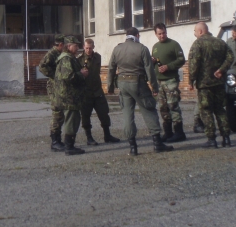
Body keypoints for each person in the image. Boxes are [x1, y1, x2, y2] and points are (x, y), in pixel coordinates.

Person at [107, 27, 174, 156]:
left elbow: (111, 68)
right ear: (137, 35)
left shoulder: (117, 49)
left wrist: (110, 87)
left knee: (127, 114)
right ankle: (157, 143)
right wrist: (154, 87)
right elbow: (149, 70)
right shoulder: (142, 48)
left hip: (123, 84)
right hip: (138, 83)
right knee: (149, 109)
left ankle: (133, 147)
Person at [188, 22, 234, 148]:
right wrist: (222, 70)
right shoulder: (220, 42)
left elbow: (194, 64)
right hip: (219, 82)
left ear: (200, 31)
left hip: (205, 84)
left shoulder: (198, 44)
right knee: (220, 109)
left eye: (195, 31)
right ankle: (226, 138)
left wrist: (191, 80)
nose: (194, 34)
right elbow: (230, 57)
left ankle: (211, 139)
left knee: (206, 111)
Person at [78, 39, 120, 145]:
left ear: (93, 47)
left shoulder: (98, 57)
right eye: (87, 48)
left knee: (104, 113)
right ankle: (89, 137)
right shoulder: (79, 59)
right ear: (83, 47)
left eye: (90, 48)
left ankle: (107, 135)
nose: (88, 50)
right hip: (85, 92)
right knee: (85, 115)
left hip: (97, 91)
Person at [151, 23, 187, 142]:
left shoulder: (174, 44)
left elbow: (181, 60)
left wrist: (168, 66)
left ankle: (179, 132)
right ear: (156, 34)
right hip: (160, 81)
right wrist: (153, 61)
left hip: (171, 80)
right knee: (163, 107)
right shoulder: (155, 46)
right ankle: (168, 132)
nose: (162, 35)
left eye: (164, 33)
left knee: (173, 106)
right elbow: (155, 61)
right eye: (159, 34)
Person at [54, 36, 89, 155]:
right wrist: (81, 74)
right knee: (71, 120)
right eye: (76, 45)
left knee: (74, 120)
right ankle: (69, 147)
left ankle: (70, 145)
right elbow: (68, 76)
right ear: (68, 46)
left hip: (71, 96)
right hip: (69, 97)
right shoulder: (66, 59)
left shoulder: (70, 58)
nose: (78, 48)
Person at [39, 34, 66, 151]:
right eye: (64, 45)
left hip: (59, 87)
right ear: (61, 44)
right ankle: (55, 141)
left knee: (60, 113)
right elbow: (42, 66)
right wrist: (54, 76)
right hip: (54, 87)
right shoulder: (52, 53)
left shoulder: (59, 53)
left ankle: (58, 140)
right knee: (57, 112)